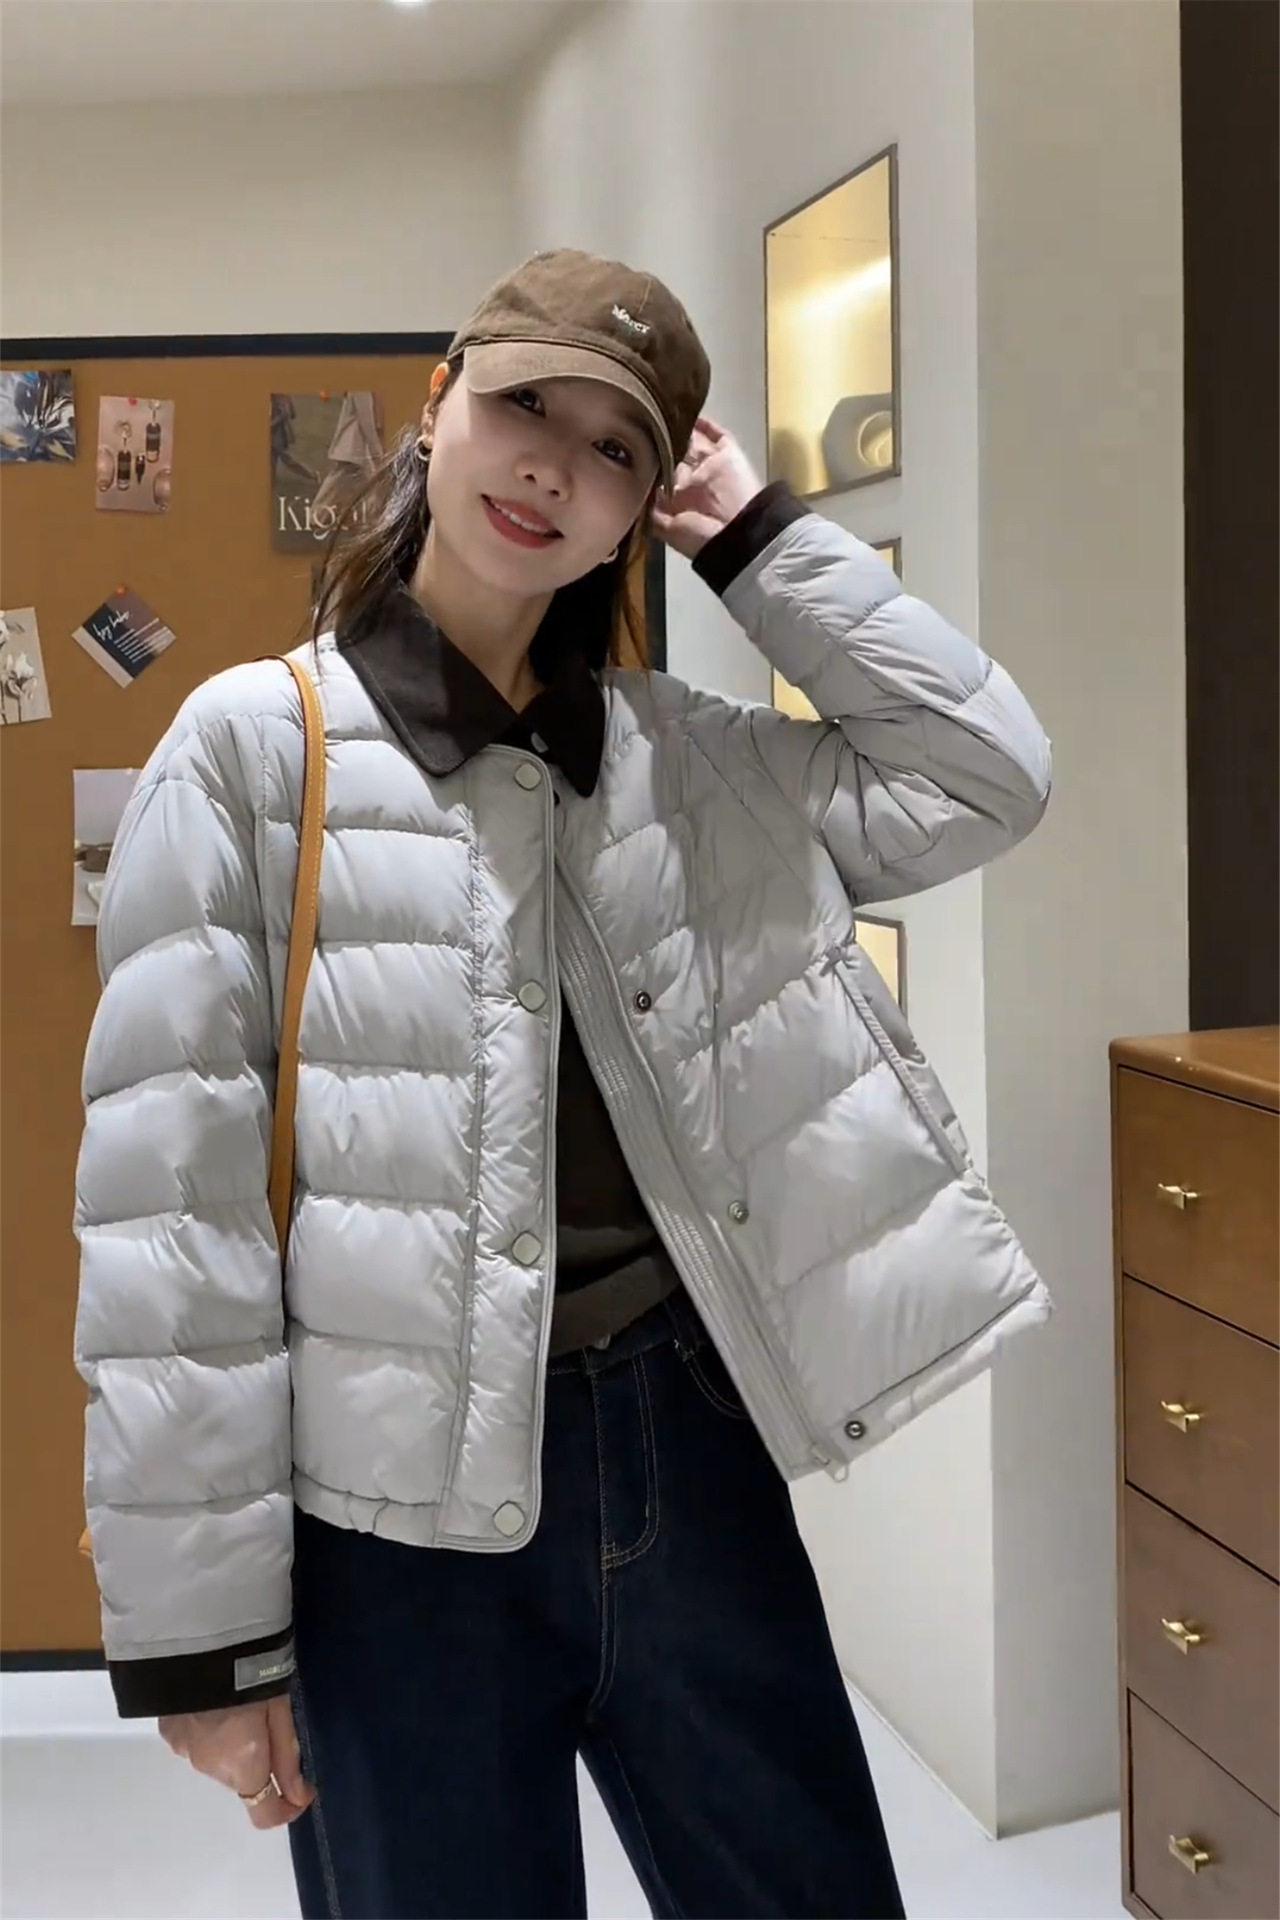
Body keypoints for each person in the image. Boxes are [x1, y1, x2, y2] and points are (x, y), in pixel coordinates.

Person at [73, 248, 1052, 1920]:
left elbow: (983, 774)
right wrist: (205, 1636)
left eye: (616, 449)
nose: (554, 469)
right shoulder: (250, 753)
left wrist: (752, 537)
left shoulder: (684, 758)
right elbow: (175, 1228)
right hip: (387, 1517)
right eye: (528, 405)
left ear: (635, 511)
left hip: (686, 1446)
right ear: (438, 403)